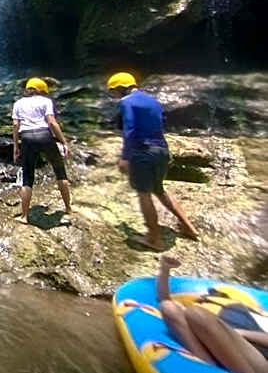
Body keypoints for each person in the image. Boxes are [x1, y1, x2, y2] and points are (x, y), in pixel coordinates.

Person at [107, 72, 199, 250]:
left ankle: (154, 239)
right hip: (162, 150)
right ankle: (189, 227)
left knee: (144, 194)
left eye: (114, 91)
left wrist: (125, 157)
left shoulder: (126, 102)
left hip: (143, 152)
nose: (114, 96)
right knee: (160, 190)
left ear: (121, 88)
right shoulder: (153, 101)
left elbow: (130, 129)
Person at [154, 255, 268, 373]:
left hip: (257, 354)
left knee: (197, 315)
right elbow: (164, 299)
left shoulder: (251, 310)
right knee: (167, 307)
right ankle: (210, 368)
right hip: (212, 345)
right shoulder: (200, 307)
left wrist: (239, 333)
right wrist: (165, 270)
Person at [11, 77, 73, 224]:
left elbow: (15, 125)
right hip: (44, 135)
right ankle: (68, 208)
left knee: (27, 177)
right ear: (42, 91)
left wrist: (16, 146)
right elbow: (51, 122)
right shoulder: (46, 101)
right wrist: (64, 142)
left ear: (27, 89)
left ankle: (24, 216)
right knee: (60, 172)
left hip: (27, 137)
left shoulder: (18, 103)